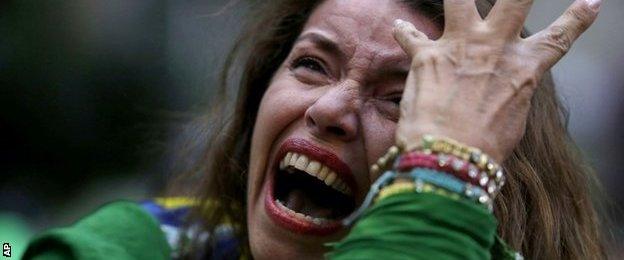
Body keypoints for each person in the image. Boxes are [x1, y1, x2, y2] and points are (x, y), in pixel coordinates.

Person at [23, 0, 606, 259]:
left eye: (402, 98)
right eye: (310, 64)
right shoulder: (133, 247)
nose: (330, 108)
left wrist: (444, 172)